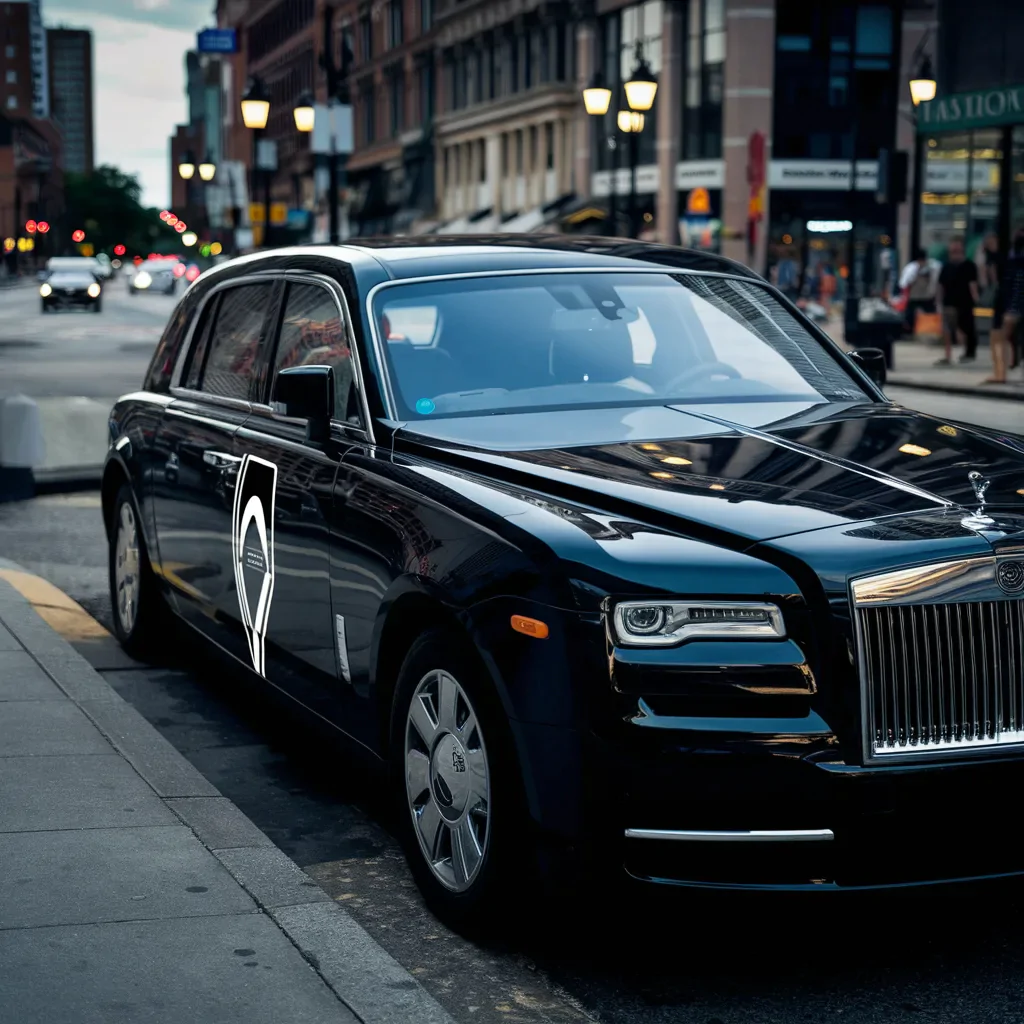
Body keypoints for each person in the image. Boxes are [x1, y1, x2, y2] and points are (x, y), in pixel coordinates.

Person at [985, 227, 1024, 384]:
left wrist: (1014, 308)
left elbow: (1017, 284)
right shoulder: (1008, 258)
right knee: (1000, 336)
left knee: (1001, 336)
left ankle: (1001, 374)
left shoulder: (1014, 260)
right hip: (1008, 301)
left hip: (1011, 303)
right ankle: (1001, 373)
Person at [936, 237, 979, 366]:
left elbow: (973, 284)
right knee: (947, 329)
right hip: (949, 301)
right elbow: (940, 285)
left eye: (957, 245)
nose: (954, 248)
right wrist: (938, 301)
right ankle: (947, 355)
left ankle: (967, 352)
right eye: (953, 245)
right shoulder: (946, 266)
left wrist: (976, 298)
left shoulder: (969, 265)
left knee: (964, 328)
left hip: (965, 301)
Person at [898, 248, 939, 335]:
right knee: (910, 316)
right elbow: (903, 283)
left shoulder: (931, 266)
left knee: (930, 314)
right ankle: (908, 332)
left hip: (926, 296)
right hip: (914, 296)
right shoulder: (911, 268)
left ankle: (931, 331)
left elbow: (935, 280)